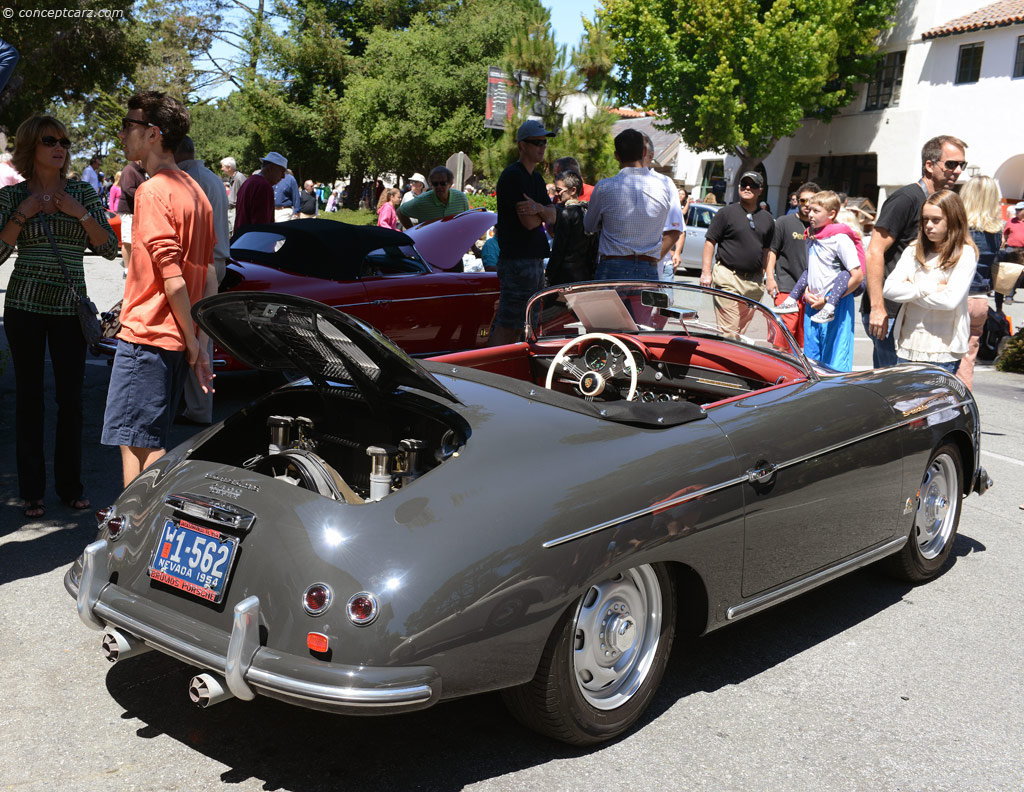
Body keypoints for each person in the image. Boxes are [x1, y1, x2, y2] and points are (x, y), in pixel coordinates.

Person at [0, 114, 118, 518]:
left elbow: (109, 249)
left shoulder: (83, 192)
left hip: (70, 308)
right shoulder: (12, 198)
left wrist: (78, 212)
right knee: (29, 400)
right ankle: (31, 491)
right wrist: (24, 214)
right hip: (24, 306)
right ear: (31, 146)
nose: (60, 148)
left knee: (71, 401)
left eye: (65, 142)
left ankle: (70, 487)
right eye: (51, 140)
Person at [101, 91, 216, 488]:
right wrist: (197, 341)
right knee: (136, 441)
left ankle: (145, 533)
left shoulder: (152, 191)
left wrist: (194, 344)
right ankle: (132, 529)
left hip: (147, 337)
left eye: (129, 125)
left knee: (144, 447)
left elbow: (174, 279)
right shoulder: (196, 192)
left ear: (153, 133)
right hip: (166, 342)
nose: (122, 133)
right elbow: (210, 275)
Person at [865, 135, 967, 367]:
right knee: (892, 388)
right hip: (889, 313)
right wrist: (878, 307)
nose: (958, 170)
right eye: (951, 164)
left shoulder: (938, 202)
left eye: (962, 165)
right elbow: (874, 252)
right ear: (929, 165)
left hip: (913, 314)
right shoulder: (906, 198)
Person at [883, 190, 976, 374]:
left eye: (936, 220)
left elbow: (949, 301)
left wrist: (910, 291)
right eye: (925, 219)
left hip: (943, 347)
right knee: (905, 402)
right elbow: (890, 289)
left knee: (934, 403)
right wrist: (931, 287)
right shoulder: (913, 250)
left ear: (952, 219)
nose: (928, 226)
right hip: (908, 342)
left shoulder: (965, 253)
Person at [174, 135, 231, 425]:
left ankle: (197, 408)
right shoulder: (211, 178)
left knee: (193, 335)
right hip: (215, 259)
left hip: (201, 262)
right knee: (200, 333)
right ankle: (197, 405)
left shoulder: (186, 179)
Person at [776, 191, 864, 371]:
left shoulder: (840, 239)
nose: (810, 214)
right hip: (812, 305)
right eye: (809, 210)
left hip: (835, 306)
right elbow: (813, 270)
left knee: (834, 363)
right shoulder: (811, 236)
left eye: (816, 211)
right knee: (811, 361)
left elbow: (857, 276)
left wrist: (827, 300)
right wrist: (807, 292)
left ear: (831, 214)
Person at [489, 119, 557, 346]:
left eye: (544, 142)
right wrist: (543, 212)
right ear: (522, 145)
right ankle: (490, 372)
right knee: (510, 324)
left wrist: (537, 208)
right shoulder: (513, 176)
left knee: (527, 325)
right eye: (536, 142)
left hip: (535, 262)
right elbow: (529, 223)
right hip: (517, 262)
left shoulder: (536, 178)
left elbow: (553, 215)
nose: (542, 147)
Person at [585, 129, 675, 282]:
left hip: (612, 268)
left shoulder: (604, 187)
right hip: (648, 268)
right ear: (644, 151)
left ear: (616, 156)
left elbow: (589, 226)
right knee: (644, 307)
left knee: (610, 307)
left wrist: (605, 222)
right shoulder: (664, 187)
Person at [700, 171, 774, 334]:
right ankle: (726, 357)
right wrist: (706, 272)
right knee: (730, 330)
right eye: (744, 184)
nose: (747, 187)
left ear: (760, 190)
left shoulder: (768, 219)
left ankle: (727, 357)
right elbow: (710, 242)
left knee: (739, 332)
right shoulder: (725, 213)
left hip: (754, 283)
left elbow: (767, 250)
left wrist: (767, 276)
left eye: (753, 185)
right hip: (728, 278)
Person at [958, 176, 1003, 389]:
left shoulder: (961, 228)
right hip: (981, 300)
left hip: (959, 297)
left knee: (946, 357)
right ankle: (963, 403)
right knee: (968, 358)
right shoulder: (996, 232)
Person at [765, 182, 821, 345]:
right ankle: (777, 369)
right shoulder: (783, 222)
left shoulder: (821, 226)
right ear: (796, 201)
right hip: (786, 287)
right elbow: (772, 251)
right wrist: (770, 278)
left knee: (803, 342)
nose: (807, 204)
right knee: (784, 337)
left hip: (812, 291)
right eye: (803, 200)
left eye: (811, 200)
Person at [641, 132, 683, 282]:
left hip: (651, 271)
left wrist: (651, 261)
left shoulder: (665, 183)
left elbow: (674, 230)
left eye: (641, 150)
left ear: (650, 155)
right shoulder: (613, 184)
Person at [546, 171, 594, 286]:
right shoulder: (587, 211)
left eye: (559, 190)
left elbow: (559, 248)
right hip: (584, 274)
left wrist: (548, 275)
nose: (556, 194)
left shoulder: (566, 213)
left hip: (565, 276)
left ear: (573, 190)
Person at [397, 166, 469, 228]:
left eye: (443, 183)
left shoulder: (461, 198)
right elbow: (400, 212)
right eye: (435, 184)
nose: (439, 187)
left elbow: (467, 221)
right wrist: (413, 233)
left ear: (450, 183)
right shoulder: (421, 201)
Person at [233, 151, 287, 233]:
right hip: (253, 240)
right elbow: (261, 222)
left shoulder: (249, 182)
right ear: (271, 168)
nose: (283, 177)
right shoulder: (264, 186)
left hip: (241, 237)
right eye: (281, 171)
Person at [116, 160, 146, 269]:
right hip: (128, 211)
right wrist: (145, 195)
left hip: (135, 211)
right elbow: (129, 189)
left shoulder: (139, 171)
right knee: (128, 241)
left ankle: (133, 268)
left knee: (135, 241)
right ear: (138, 160)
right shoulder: (129, 170)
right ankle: (127, 269)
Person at [999, 200, 1024, 305]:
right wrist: (1003, 241)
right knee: (1010, 273)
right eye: (1016, 210)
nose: (1017, 212)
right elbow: (1004, 234)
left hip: (1023, 251)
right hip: (1011, 249)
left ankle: (1011, 293)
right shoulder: (1011, 221)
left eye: (1020, 210)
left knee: (1020, 274)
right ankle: (1008, 295)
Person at [220, 156, 247, 229]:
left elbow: (246, 194)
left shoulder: (239, 177)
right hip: (231, 209)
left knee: (235, 231)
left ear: (229, 167)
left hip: (236, 209)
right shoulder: (232, 177)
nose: (222, 169)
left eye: (223, 167)